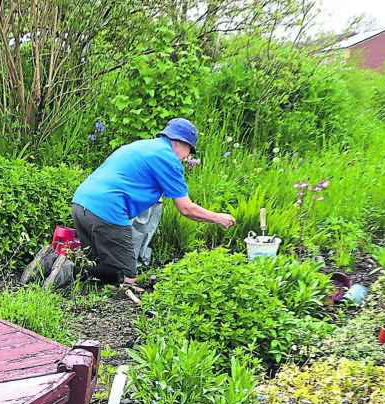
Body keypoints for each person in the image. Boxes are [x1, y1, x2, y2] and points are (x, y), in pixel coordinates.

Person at [22, 118, 236, 288]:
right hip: (107, 210)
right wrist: (218, 218)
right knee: (125, 276)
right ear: (181, 144)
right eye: (190, 151)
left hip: (81, 203)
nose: (187, 157)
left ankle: (49, 261)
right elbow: (186, 208)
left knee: (96, 264)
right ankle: (69, 271)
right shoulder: (168, 159)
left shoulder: (142, 146)